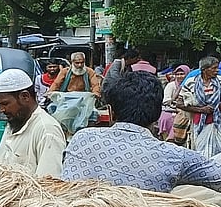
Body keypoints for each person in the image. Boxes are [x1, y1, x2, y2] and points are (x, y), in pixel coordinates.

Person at [63, 71, 221, 192]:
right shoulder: (175, 156)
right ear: (158, 114)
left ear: (110, 112)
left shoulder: (81, 138)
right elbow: (216, 175)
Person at [0, 69, 67, 178]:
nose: (1, 110)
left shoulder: (47, 130)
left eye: (5, 103)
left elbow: (48, 182)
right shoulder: (14, 123)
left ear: (25, 96)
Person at [178, 56, 221, 155]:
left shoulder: (220, 81)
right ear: (205, 69)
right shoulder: (191, 82)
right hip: (199, 123)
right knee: (201, 151)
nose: (217, 70)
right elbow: (179, 104)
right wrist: (201, 109)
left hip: (217, 121)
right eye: (214, 68)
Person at [159, 65, 190, 139]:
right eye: (177, 74)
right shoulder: (171, 85)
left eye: (182, 74)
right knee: (165, 118)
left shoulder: (190, 85)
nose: (179, 76)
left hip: (185, 109)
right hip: (171, 109)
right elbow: (166, 100)